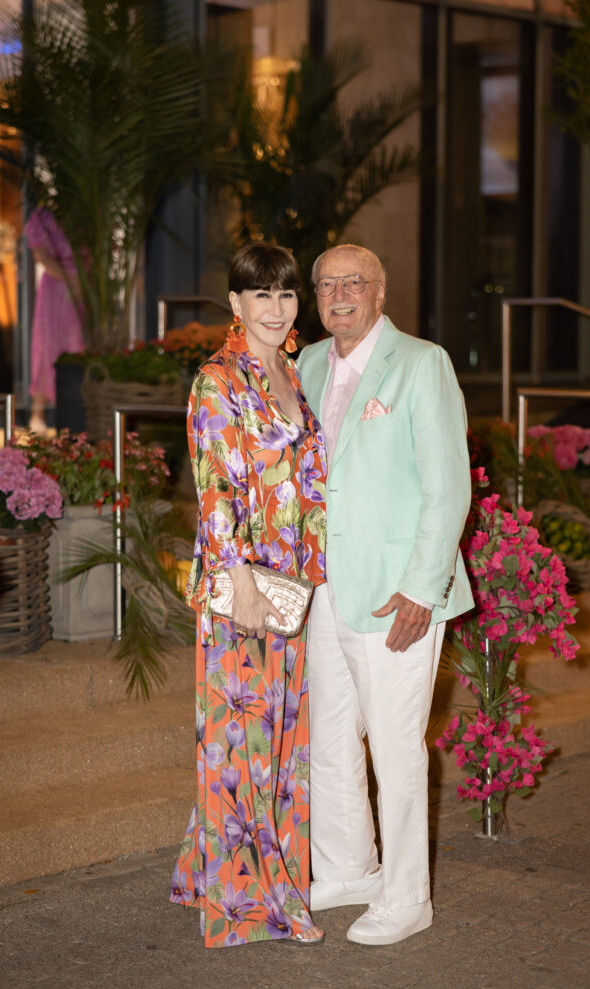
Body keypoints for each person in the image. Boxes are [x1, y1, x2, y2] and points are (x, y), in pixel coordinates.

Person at [297, 243, 474, 946]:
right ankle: (349, 868)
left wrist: (420, 589)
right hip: (324, 589)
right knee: (331, 738)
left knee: (396, 748)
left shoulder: (422, 363)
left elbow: (446, 485)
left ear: (379, 292)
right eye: (326, 285)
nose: (339, 295)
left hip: (394, 593)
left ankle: (407, 897)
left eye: (354, 283)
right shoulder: (306, 364)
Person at [170, 243, 327, 947]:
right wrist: (240, 587)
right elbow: (214, 492)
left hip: (291, 581)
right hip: (247, 586)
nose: (275, 308)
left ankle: (207, 874)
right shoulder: (218, 381)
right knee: (247, 742)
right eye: (259, 295)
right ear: (234, 305)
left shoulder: (290, 372)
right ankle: (259, 903)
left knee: (277, 741)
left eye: (286, 295)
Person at [24, 207, 84, 433]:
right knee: (47, 346)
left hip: (81, 286)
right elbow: (40, 255)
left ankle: (73, 410)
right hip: (55, 288)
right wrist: (69, 277)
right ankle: (37, 413)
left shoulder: (84, 213)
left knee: (76, 345)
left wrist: (79, 282)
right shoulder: (41, 217)